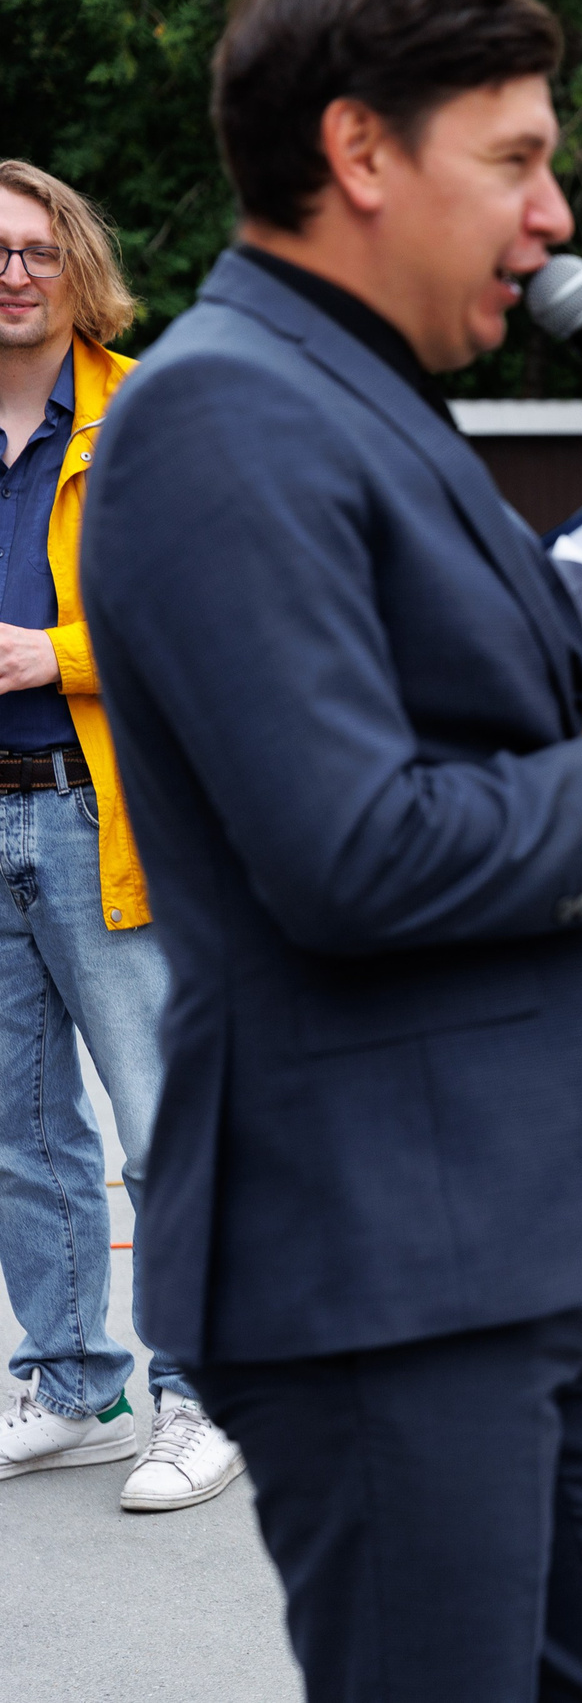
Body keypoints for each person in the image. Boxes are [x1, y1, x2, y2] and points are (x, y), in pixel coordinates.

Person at [78, 0, 582, 1695]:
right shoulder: (221, 417)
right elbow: (347, 853)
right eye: (515, 160)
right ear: (359, 150)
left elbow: (492, 745)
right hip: (379, 1260)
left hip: (510, 1233)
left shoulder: (360, 395)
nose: (554, 216)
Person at [0, 162, 246, 1513]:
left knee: (163, 1125)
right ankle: (71, 1381)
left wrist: (58, 653)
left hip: (108, 812)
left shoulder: (150, 412)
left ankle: (203, 1393)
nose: (14, 274)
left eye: (37, 250)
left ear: (76, 265)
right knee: (20, 1133)